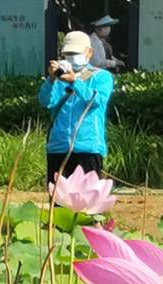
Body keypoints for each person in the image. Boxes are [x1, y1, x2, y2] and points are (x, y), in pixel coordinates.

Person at [38, 31, 114, 183]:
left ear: (89, 52)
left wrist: (75, 81)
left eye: (76, 52)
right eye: (68, 53)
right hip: (58, 147)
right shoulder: (58, 79)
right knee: (59, 203)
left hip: (88, 148)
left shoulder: (101, 76)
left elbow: (97, 101)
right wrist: (51, 80)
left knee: (87, 203)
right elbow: (45, 102)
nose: (72, 57)